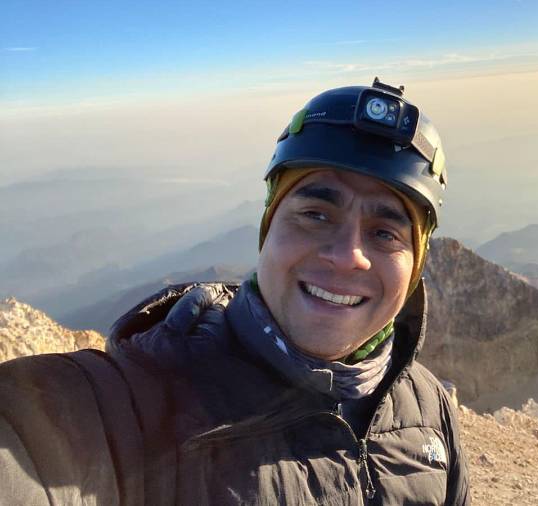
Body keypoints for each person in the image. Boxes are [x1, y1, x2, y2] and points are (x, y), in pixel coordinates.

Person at [0, 79, 469, 505]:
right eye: (315, 214)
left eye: (386, 233)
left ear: (416, 264)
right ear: (269, 229)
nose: (348, 255)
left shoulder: (428, 409)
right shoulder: (137, 403)